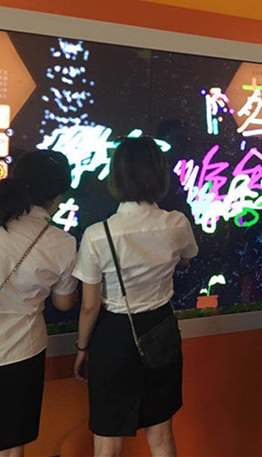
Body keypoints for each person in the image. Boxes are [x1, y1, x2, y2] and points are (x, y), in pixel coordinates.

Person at [72, 137, 198, 457]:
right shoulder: (177, 222)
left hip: (114, 335)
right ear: (159, 173)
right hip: (161, 329)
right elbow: (187, 258)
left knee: (109, 440)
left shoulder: (97, 234)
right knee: (162, 435)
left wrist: (82, 348)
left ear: (116, 176)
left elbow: (90, 306)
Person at [0, 150, 78, 457]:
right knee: (9, 447)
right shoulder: (62, 243)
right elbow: (64, 303)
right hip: (20, 353)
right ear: (58, 195)